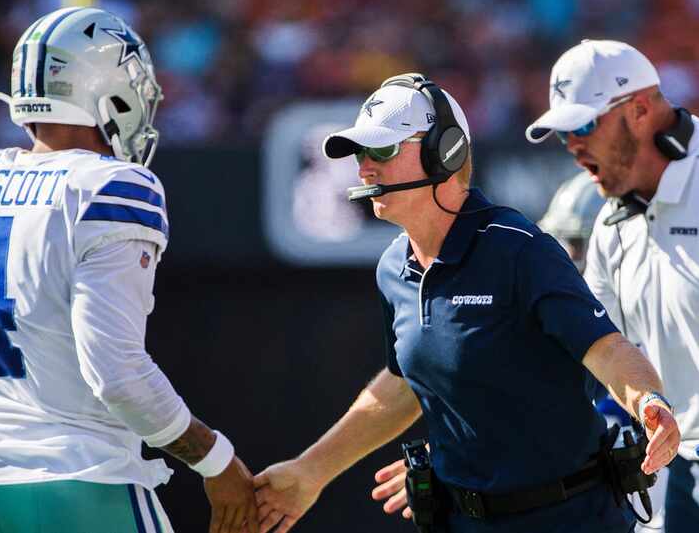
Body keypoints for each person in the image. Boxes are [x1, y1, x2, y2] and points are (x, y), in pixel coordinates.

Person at [252, 73, 680, 533]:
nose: (364, 168)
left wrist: (649, 401)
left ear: (446, 152)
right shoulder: (393, 266)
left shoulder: (519, 250)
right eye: (360, 153)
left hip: (567, 518)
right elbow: (402, 387)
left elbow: (608, 350)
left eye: (382, 150)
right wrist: (310, 471)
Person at [0, 7, 257, 533]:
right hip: (85, 487)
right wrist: (217, 460)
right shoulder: (114, 185)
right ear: (101, 87)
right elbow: (117, 374)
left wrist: (29, 386)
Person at [373, 170, 668, 532]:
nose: (571, 257)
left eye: (581, 244)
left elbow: (600, 397)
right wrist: (466, 456)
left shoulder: (663, 329)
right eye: (565, 244)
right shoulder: (551, 315)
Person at [524, 38, 699, 533]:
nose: (574, 146)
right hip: (684, 471)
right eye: (562, 134)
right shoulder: (608, 226)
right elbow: (586, 358)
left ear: (641, 109)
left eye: (583, 125)